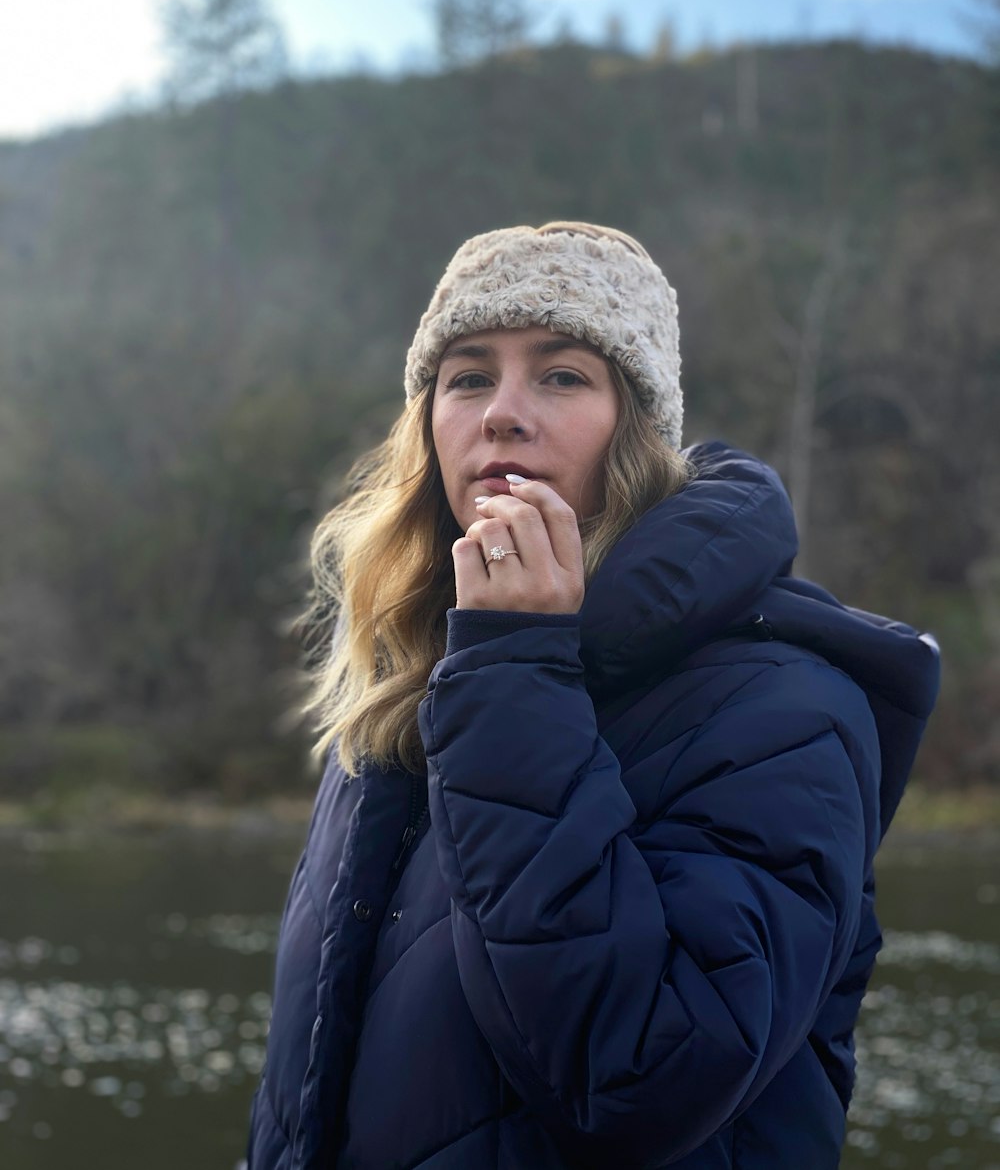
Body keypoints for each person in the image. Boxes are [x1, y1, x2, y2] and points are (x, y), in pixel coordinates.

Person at [246, 222, 940, 1169]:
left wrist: (518, 666)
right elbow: (315, 1084)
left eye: (563, 375)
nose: (503, 413)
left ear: (639, 428)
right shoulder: (406, 691)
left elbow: (645, 1076)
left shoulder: (788, 709)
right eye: (468, 376)